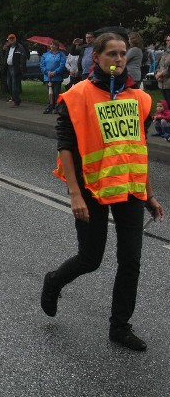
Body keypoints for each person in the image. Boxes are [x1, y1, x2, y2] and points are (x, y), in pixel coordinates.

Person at [41, 32, 165, 351]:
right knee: (90, 258)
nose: (119, 59)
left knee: (131, 259)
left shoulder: (140, 99)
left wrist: (149, 194)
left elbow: (138, 149)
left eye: (123, 53)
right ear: (96, 58)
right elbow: (66, 147)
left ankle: (120, 327)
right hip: (91, 188)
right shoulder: (77, 95)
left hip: (129, 188)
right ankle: (54, 281)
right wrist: (74, 194)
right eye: (111, 54)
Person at [41, 41, 67, 114]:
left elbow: (62, 65)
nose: (52, 46)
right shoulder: (45, 55)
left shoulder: (61, 55)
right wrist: (47, 72)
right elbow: (42, 65)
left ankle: (57, 107)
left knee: (56, 92)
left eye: (54, 45)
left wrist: (55, 72)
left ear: (57, 46)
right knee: (49, 93)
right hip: (48, 77)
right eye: (51, 44)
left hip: (57, 77)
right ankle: (50, 106)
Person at [3, 33, 26, 107]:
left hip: (15, 68)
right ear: (8, 40)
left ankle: (16, 101)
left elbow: (23, 58)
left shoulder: (20, 47)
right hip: (9, 67)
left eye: (13, 38)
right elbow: (7, 56)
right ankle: (14, 98)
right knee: (9, 84)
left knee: (14, 85)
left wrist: (21, 68)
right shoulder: (8, 48)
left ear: (15, 39)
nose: (12, 40)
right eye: (10, 39)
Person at [155, 34, 170, 104]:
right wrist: (157, 73)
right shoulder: (165, 53)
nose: (166, 42)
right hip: (163, 83)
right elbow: (159, 65)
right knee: (166, 105)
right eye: (166, 40)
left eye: (168, 40)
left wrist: (161, 74)